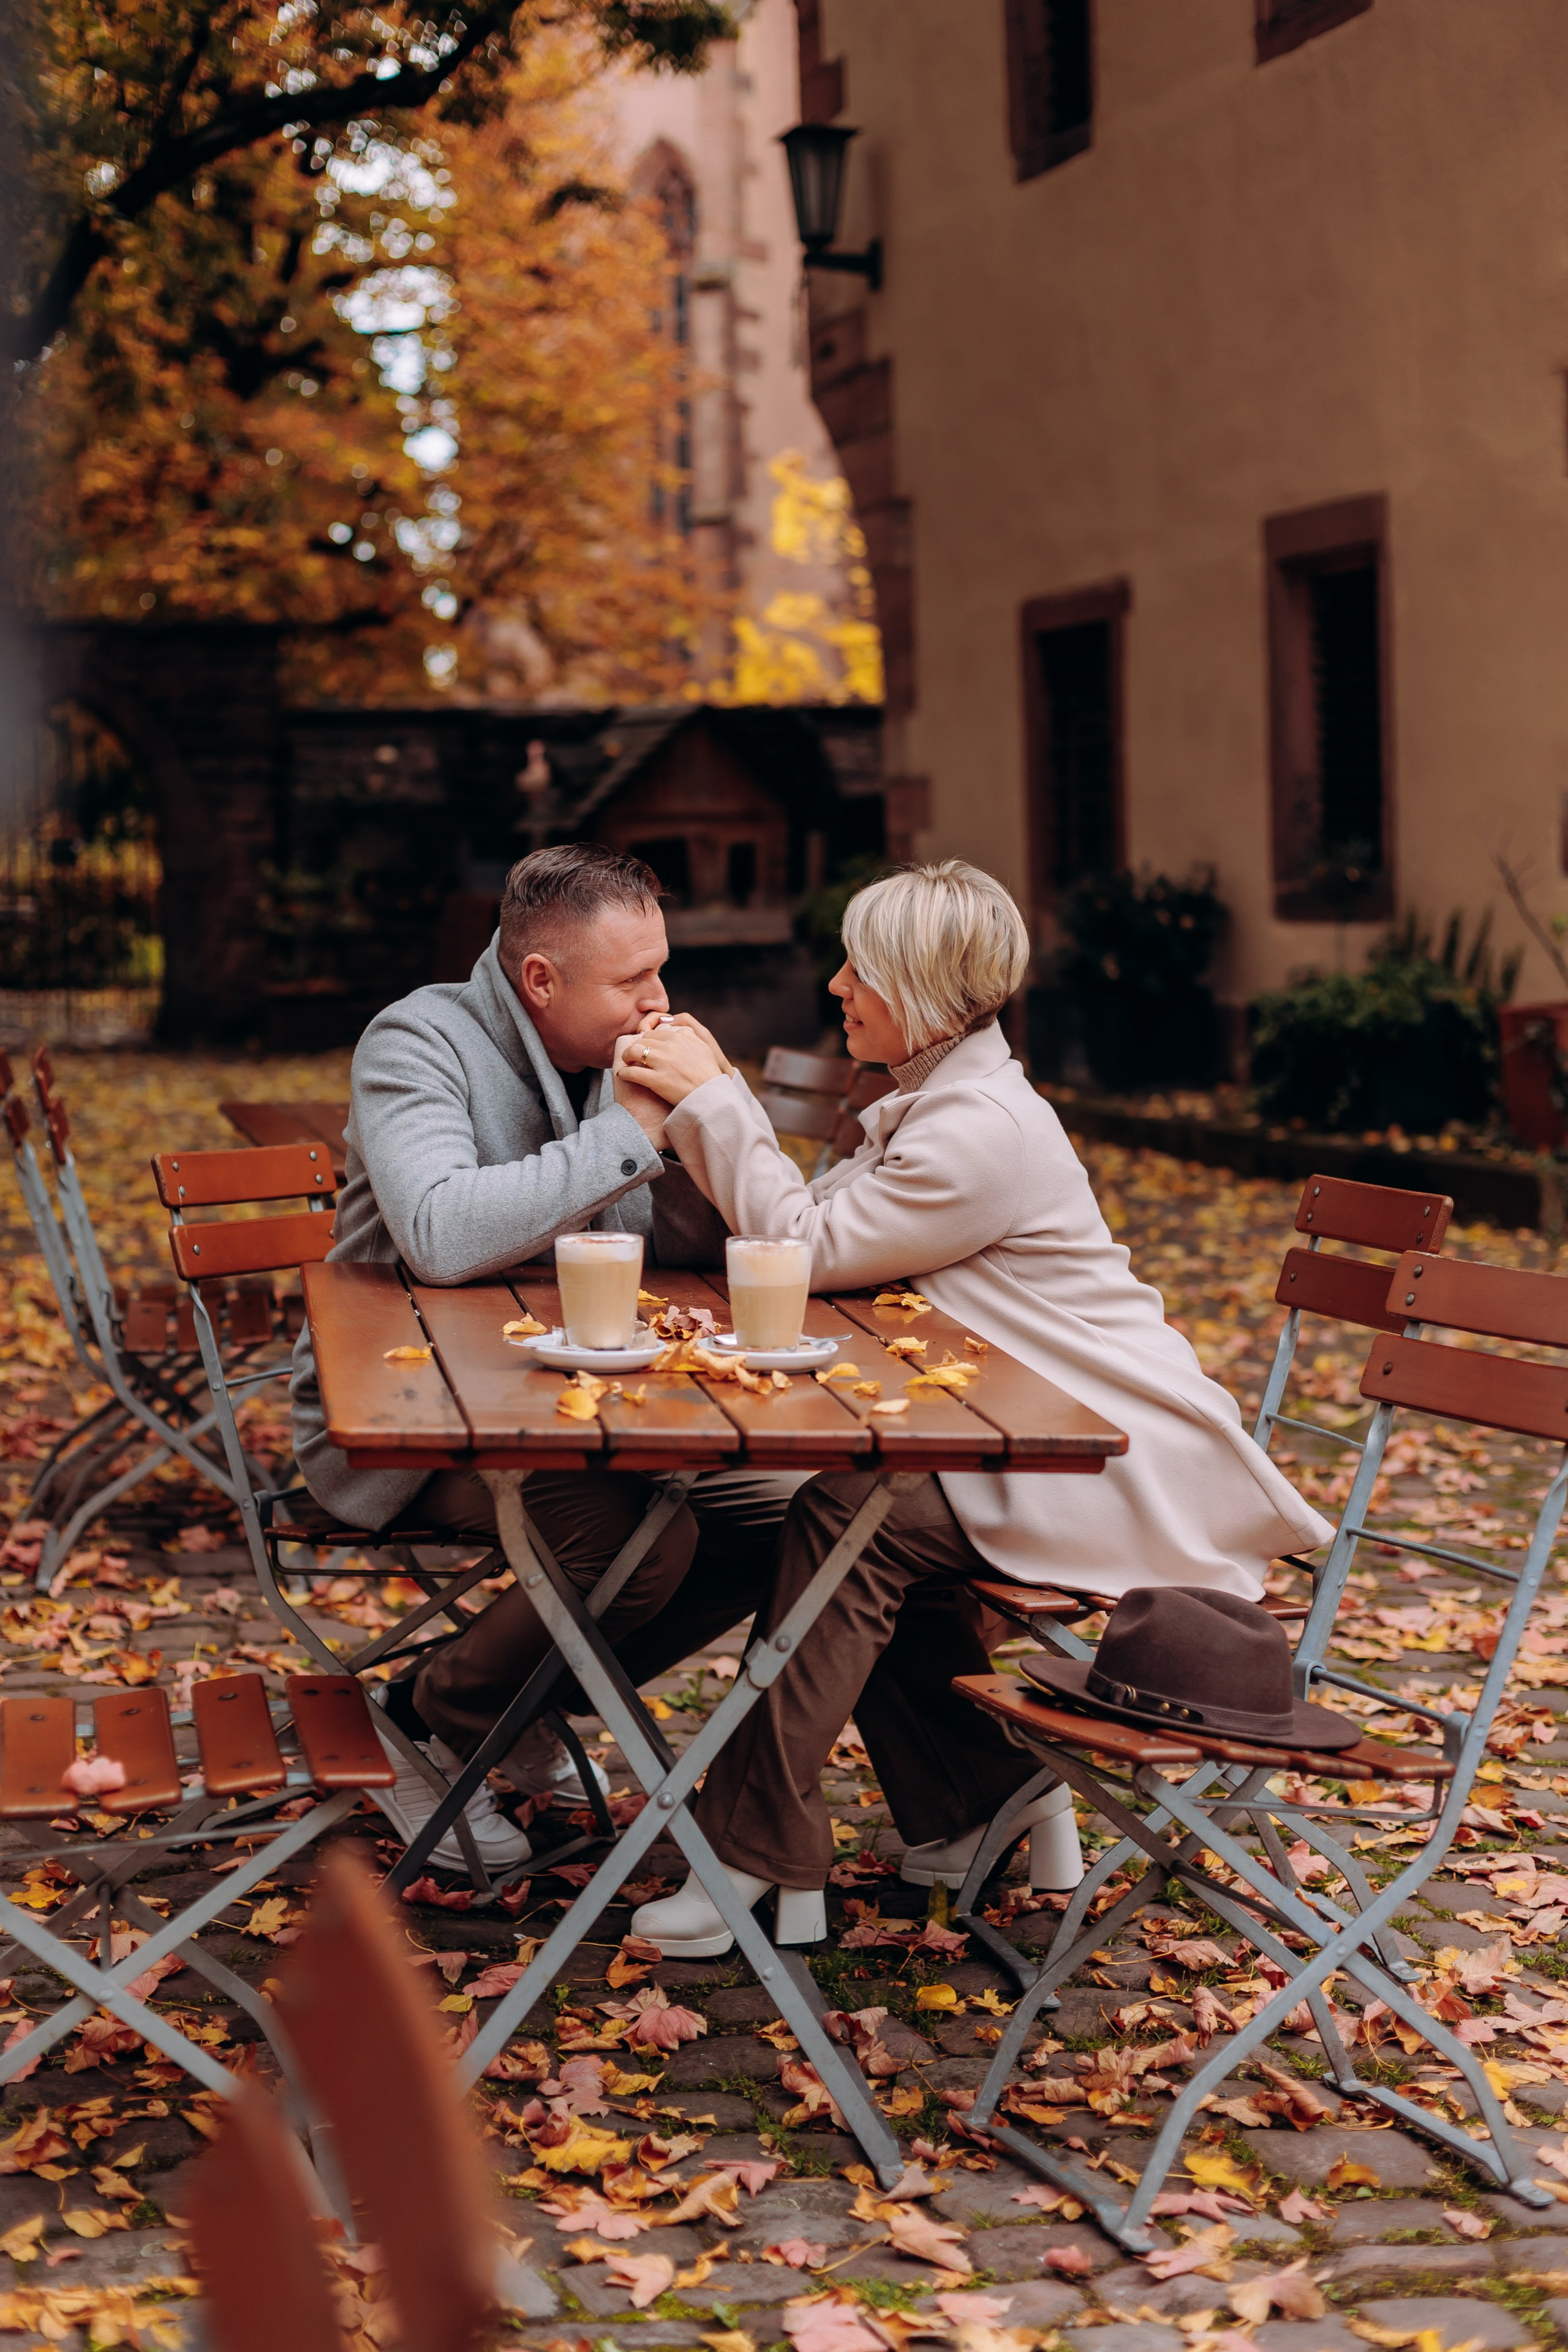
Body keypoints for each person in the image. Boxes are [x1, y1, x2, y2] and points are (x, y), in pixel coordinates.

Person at [612, 858, 1334, 1956]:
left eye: (866, 969)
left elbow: (801, 1251)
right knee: (858, 1517)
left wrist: (719, 1101)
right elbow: (814, 1227)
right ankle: (977, 1793)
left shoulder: (980, 1129)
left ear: (933, 997)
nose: (839, 986)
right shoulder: (937, 1102)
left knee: (849, 1520)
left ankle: (750, 1849)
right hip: (1025, 1433)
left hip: (1112, 1458)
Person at [288, 843, 801, 1875]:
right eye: (633, 981)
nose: (660, 1000)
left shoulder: (620, 1063)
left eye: (662, 970)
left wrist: (697, 1132)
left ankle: (500, 1707)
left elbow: (699, 1253)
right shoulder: (418, 1043)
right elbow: (438, 1233)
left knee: (796, 1515)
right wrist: (627, 1133)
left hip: (594, 1404)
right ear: (540, 981)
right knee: (636, 1541)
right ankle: (428, 1720)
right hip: (410, 1414)